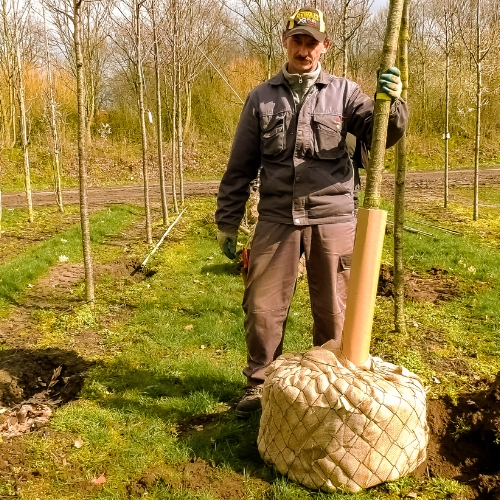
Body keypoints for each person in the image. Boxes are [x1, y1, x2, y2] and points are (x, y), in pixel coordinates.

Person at [215, 6, 407, 418]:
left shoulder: (345, 93)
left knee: (335, 309)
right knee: (263, 309)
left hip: (333, 216)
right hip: (277, 218)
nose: (304, 49)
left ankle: (332, 384)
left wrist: (392, 102)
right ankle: (259, 387)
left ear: (325, 47)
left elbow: (379, 134)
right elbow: (240, 165)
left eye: (312, 42)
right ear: (285, 42)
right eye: (297, 40)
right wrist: (227, 222)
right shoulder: (261, 98)